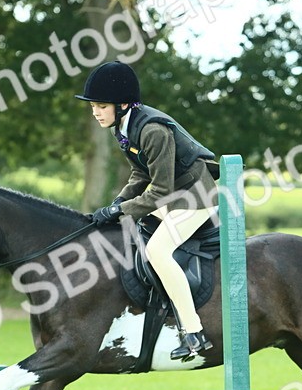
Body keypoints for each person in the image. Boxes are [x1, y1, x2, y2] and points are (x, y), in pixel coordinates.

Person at [75, 61, 220, 361]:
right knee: (133, 235)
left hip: (196, 197)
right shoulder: (123, 128)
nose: (96, 112)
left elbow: (160, 190)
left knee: (157, 251)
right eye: (93, 107)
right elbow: (140, 175)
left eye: (102, 106)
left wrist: (120, 210)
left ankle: (194, 332)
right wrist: (115, 205)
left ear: (123, 105)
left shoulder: (152, 130)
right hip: (174, 196)